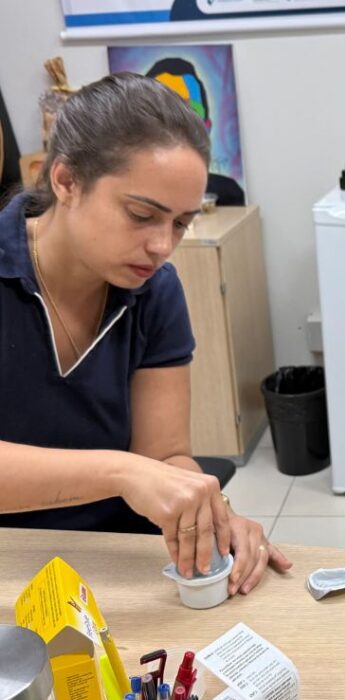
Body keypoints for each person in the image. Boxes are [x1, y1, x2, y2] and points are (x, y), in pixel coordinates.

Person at [0, 72, 290, 595]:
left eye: (180, 223)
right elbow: (134, 471)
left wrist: (213, 511)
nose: (161, 246)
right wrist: (119, 472)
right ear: (65, 181)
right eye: (141, 215)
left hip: (121, 560)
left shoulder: (155, 291)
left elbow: (163, 455)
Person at [145, 57, 245, 206]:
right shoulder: (127, 190)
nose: (175, 126)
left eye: (190, 112)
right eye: (161, 113)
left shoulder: (227, 194)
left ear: (207, 127)